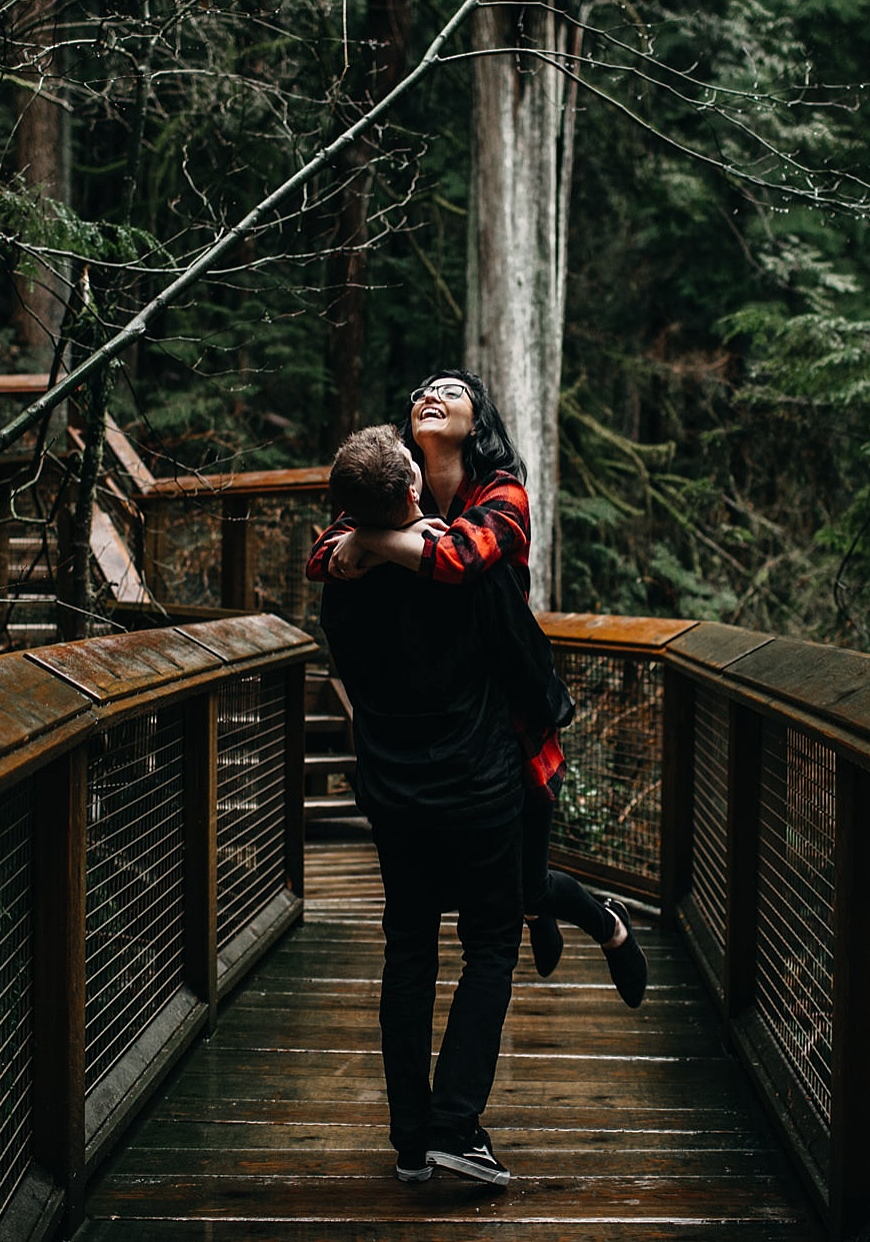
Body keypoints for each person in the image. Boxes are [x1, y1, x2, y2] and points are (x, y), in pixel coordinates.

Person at [311, 370, 647, 1009]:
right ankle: (540, 913)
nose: (428, 396)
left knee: (519, 890)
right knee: (500, 893)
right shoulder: (395, 494)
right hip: (442, 735)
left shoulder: (502, 493)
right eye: (419, 392)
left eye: (450, 390)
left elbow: (462, 558)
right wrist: (368, 535)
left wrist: (371, 541)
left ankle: (608, 924)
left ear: (477, 421)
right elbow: (324, 559)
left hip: (511, 726)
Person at [311, 424, 524, 1187]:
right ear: (410, 491)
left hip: (393, 792)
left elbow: (338, 556)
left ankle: (410, 1142)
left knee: (409, 949)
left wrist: (360, 543)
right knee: (492, 945)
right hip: (477, 787)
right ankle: (455, 1125)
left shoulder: (340, 580)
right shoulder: (457, 569)